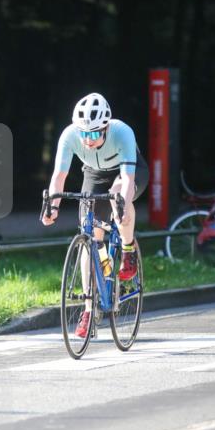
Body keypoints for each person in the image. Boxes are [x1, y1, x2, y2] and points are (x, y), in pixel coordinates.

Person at [42, 93, 149, 337]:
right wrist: (53, 208)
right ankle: (89, 310)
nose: (87, 140)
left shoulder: (122, 133)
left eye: (92, 134)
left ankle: (128, 248)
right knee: (88, 238)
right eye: (83, 134)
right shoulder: (70, 136)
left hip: (127, 171)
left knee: (118, 195)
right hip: (94, 173)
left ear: (105, 128)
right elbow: (59, 178)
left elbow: (129, 180)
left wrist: (121, 206)